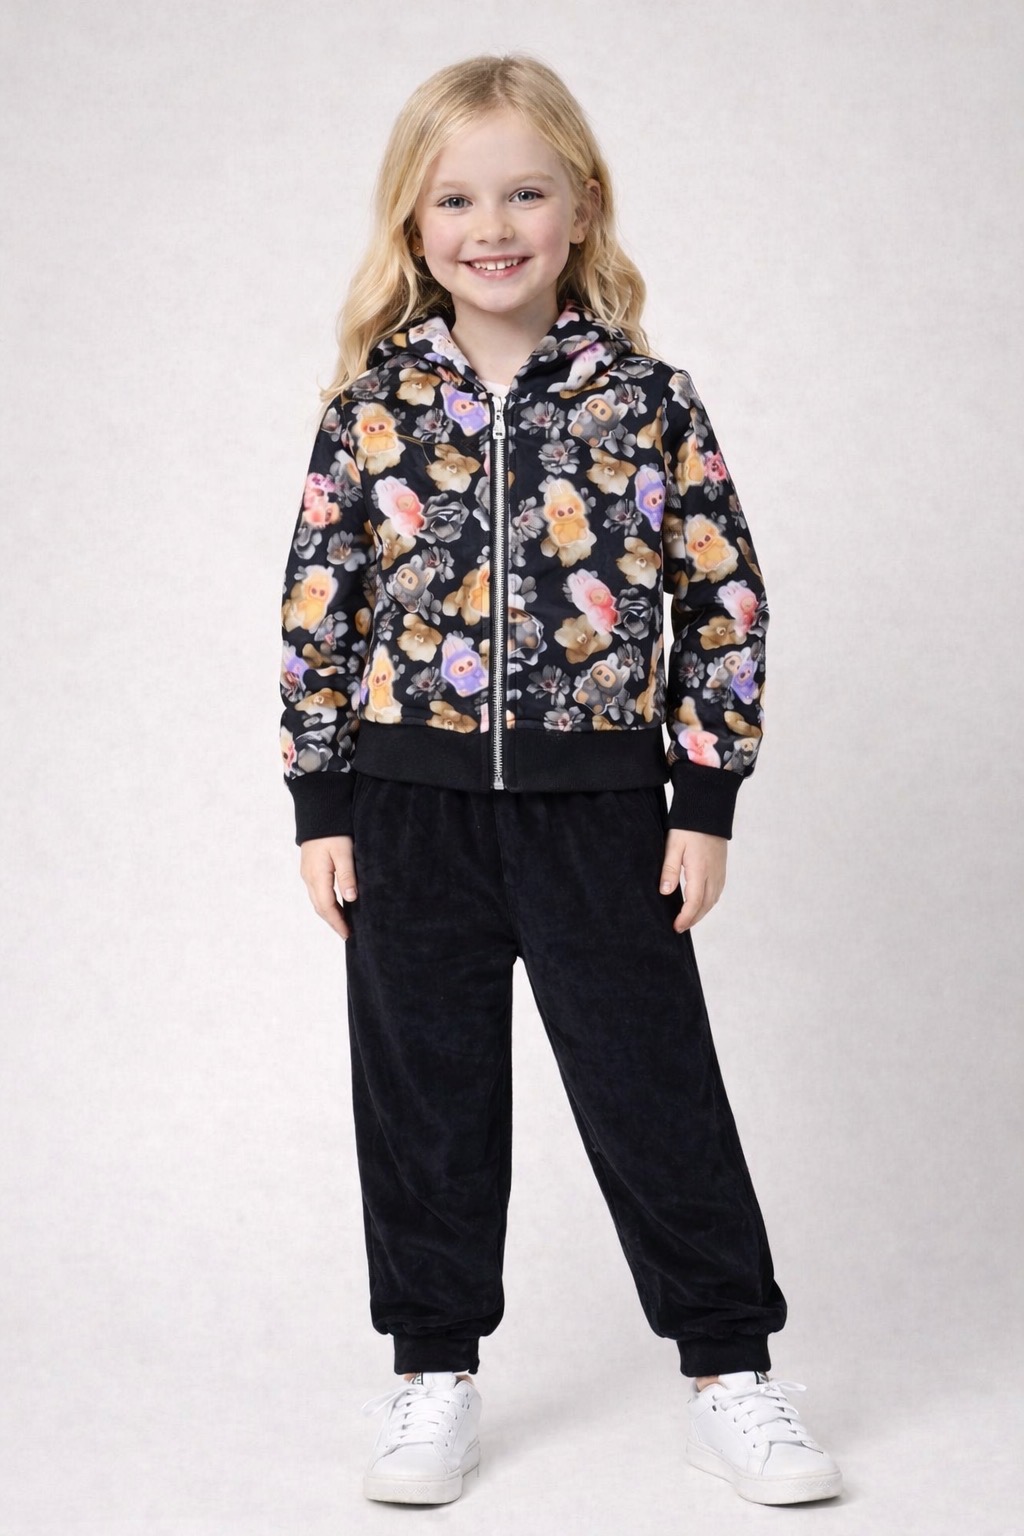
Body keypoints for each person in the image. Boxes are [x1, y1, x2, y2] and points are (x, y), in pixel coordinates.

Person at [279, 51, 843, 1510]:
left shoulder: (648, 401)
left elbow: (725, 602)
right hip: (409, 814)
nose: (493, 226)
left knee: (657, 1093)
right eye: (456, 199)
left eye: (525, 193)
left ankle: (732, 1376)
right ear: (413, 226)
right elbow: (321, 606)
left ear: (582, 206)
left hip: (603, 815)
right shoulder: (374, 407)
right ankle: (432, 1376)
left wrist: (704, 801)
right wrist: (322, 804)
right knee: (425, 1101)